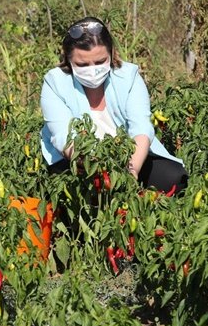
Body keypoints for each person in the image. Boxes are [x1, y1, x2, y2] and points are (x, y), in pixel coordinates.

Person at [40, 17, 187, 194]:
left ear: (111, 53)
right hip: (78, 161)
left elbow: (141, 128)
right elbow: (64, 137)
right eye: (82, 64)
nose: (93, 70)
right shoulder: (55, 82)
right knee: (78, 191)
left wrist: (131, 172)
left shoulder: (128, 76)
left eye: (100, 61)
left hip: (128, 156)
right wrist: (96, 170)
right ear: (68, 60)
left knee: (173, 178)